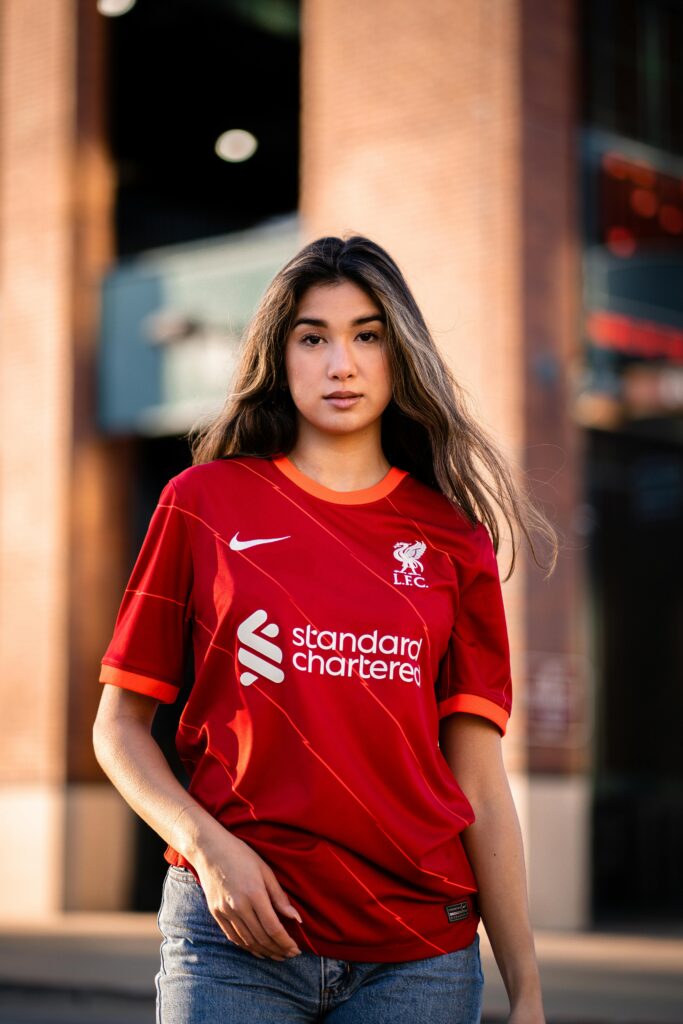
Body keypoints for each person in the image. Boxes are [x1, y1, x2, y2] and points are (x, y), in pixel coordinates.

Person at [93, 234, 556, 1024]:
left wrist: (528, 987)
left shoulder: (453, 539)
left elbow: (477, 778)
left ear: (397, 354)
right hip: (232, 942)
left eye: (366, 335)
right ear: (281, 356)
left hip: (417, 954)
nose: (340, 363)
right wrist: (207, 851)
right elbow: (119, 729)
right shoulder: (201, 504)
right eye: (313, 337)